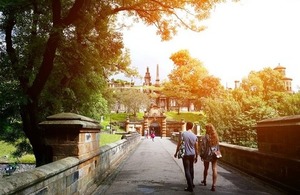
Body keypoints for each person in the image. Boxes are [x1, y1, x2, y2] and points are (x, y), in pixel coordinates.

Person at [174, 122, 198, 192]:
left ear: (187, 126)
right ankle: (192, 183)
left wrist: (176, 152)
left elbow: (179, 143)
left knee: (187, 170)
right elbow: (196, 147)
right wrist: (197, 156)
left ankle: (190, 186)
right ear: (192, 127)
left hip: (186, 154)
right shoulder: (194, 136)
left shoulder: (183, 134)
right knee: (191, 168)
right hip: (192, 154)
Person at [200, 123, 220, 192]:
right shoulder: (216, 136)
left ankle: (204, 180)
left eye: (206, 128)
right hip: (214, 154)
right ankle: (213, 185)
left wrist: (201, 154)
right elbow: (218, 146)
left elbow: (203, 147)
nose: (205, 129)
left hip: (207, 154)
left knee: (206, 168)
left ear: (208, 129)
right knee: (214, 168)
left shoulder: (205, 137)